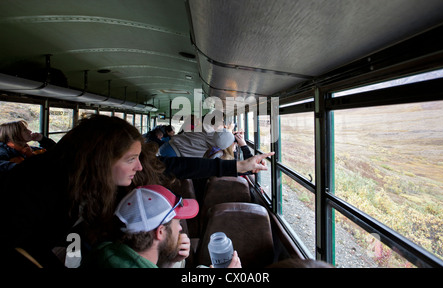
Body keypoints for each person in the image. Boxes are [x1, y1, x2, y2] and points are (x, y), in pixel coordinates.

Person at [0, 114, 273, 268]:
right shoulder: (34, 188)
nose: (139, 166)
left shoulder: (102, 180)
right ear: (100, 160)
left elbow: (173, 166)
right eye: (131, 159)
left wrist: (237, 166)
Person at [82, 185, 241, 268]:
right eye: (177, 223)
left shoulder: (105, 250)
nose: (180, 229)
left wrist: (170, 261)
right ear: (160, 232)